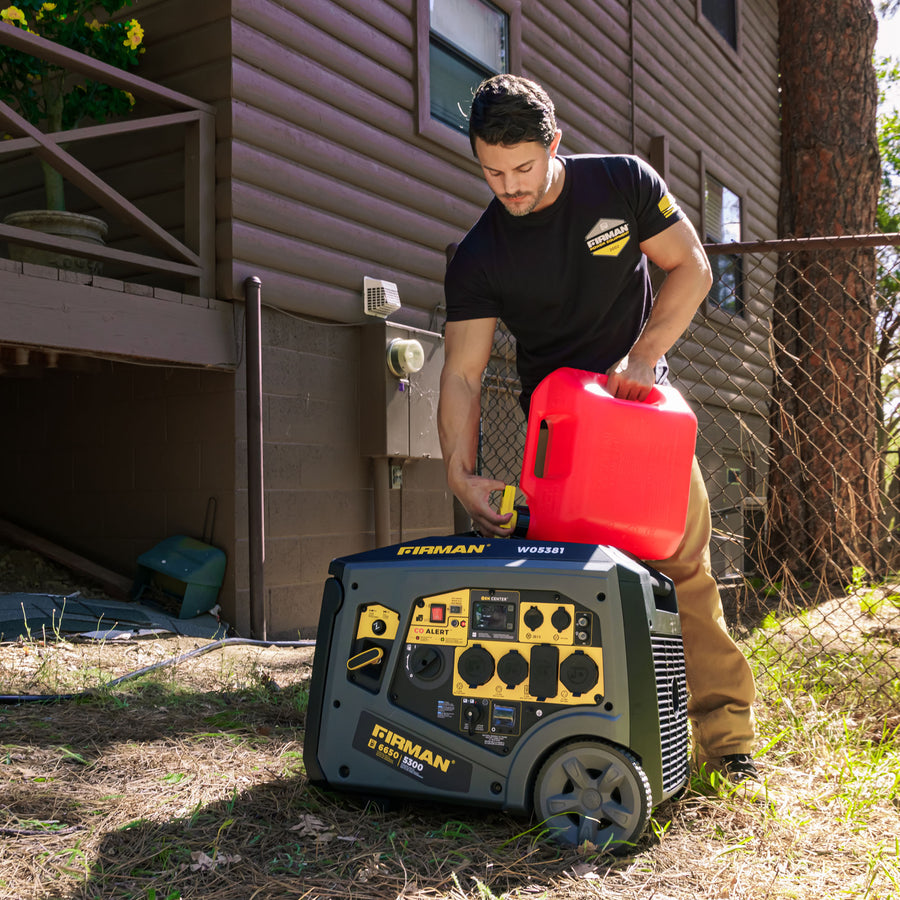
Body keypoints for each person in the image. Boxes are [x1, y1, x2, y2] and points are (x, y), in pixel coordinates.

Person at [437, 73, 760, 791]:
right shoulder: (481, 254)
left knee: (684, 575)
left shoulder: (620, 183)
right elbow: (462, 373)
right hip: (559, 441)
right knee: (563, 594)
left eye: (523, 168)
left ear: (555, 144)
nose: (510, 186)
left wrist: (643, 354)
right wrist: (459, 473)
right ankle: (576, 747)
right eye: (493, 172)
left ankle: (729, 744)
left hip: (643, 414)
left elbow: (693, 268)